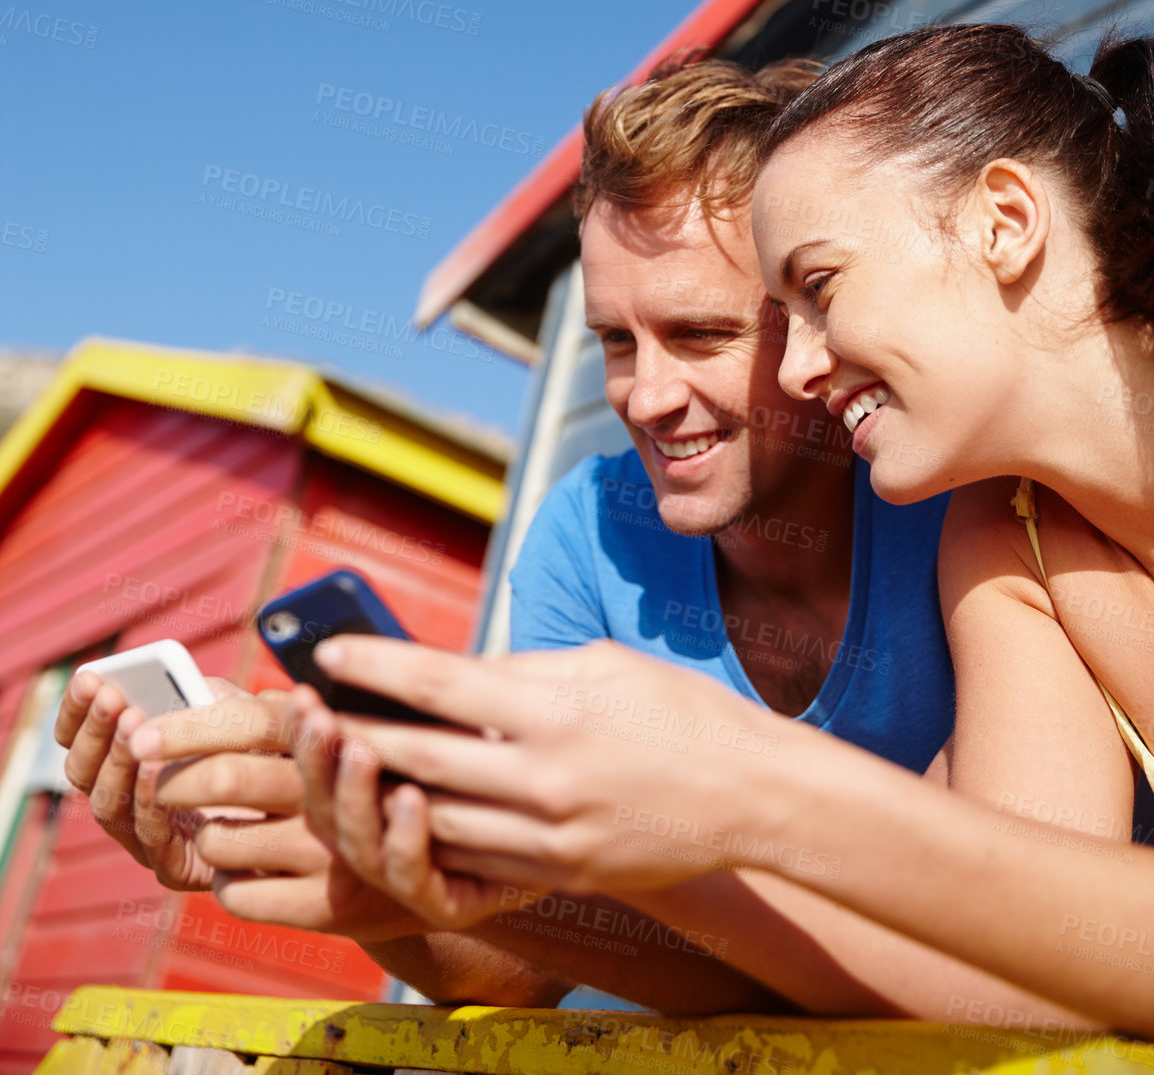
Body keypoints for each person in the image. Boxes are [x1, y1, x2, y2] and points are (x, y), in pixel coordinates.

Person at [281, 23, 1154, 1032]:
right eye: (612, 341)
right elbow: (1029, 970)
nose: (799, 370)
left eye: (816, 292)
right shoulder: (1010, 535)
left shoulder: (960, 515)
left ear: (1002, 220)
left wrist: (747, 786)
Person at [58, 54, 964, 1014]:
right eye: (617, 341)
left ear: (816, 320)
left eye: (701, 335)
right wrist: (358, 877)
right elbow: (527, 968)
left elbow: (969, 959)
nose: (647, 399)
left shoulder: (958, 508)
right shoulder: (591, 532)